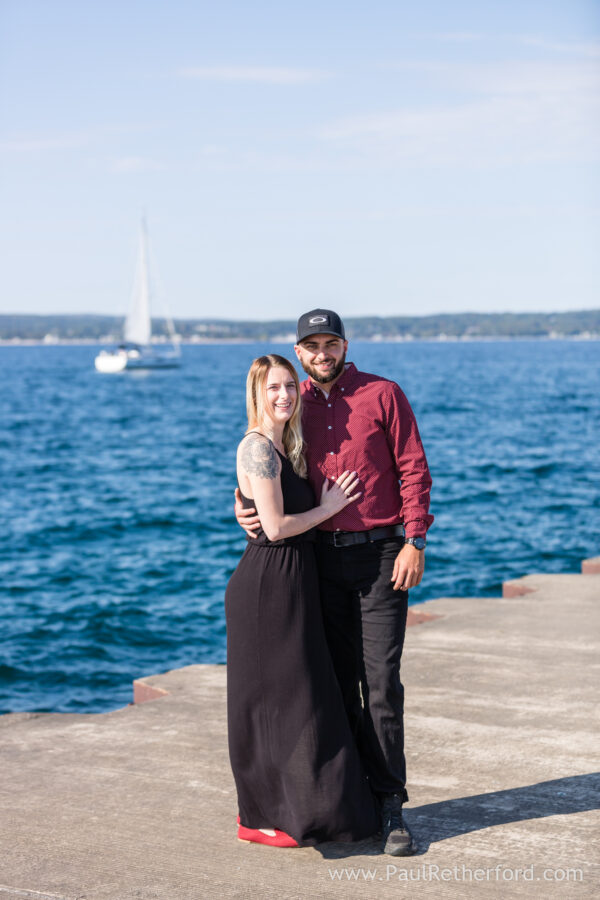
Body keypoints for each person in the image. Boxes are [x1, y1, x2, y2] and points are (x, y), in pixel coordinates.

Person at [235, 310, 433, 856]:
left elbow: (414, 469)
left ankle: (391, 805)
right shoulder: (289, 398)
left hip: (381, 556)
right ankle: (353, 801)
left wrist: (415, 540)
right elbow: (260, 454)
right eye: (312, 345)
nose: (322, 353)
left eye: (331, 342)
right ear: (299, 352)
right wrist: (240, 504)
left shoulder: (383, 394)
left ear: (345, 345)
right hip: (316, 562)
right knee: (333, 684)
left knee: (382, 683)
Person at [225, 353, 380, 848]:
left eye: (290, 387)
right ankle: (261, 818)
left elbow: (262, 510)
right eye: (273, 388)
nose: (284, 396)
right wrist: (329, 507)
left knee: (296, 700)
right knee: (271, 705)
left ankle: (283, 811)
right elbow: (275, 528)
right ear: (256, 393)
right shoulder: (258, 449)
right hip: (268, 585)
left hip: (293, 579)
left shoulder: (282, 445)